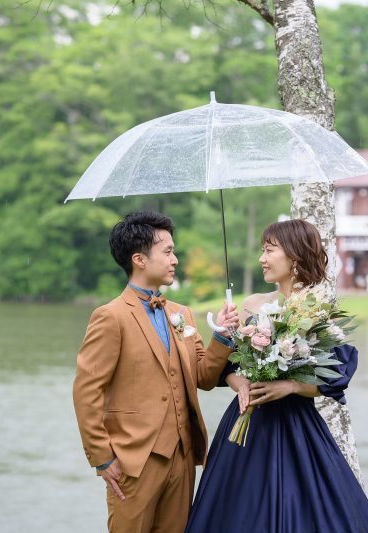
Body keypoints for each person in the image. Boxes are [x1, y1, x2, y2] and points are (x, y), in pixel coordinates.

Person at [185, 219, 368, 533]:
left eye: (269, 250)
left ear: (294, 257)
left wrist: (290, 385)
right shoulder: (251, 306)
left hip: (296, 425)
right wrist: (241, 386)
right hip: (244, 424)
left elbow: (334, 377)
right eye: (262, 250)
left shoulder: (317, 312)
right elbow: (227, 368)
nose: (262, 258)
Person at [72, 211, 240, 533]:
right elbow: (86, 391)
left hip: (183, 456)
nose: (175, 259)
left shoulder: (183, 314)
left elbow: (204, 377)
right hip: (133, 462)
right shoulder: (110, 316)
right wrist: (103, 458)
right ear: (139, 259)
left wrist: (222, 336)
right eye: (167, 251)